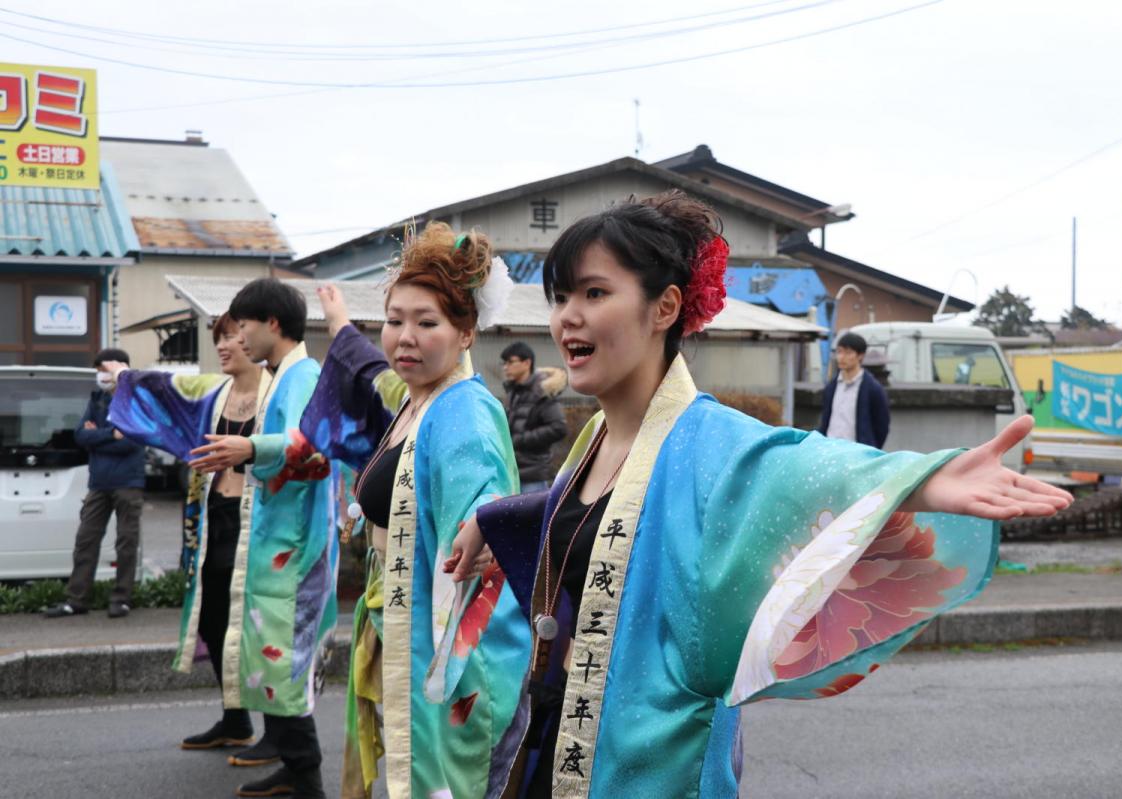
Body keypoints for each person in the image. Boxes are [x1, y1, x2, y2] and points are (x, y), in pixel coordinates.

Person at [446, 191, 1072, 797]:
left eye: (594, 293)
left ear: (663, 308)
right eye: (560, 297)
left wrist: (925, 479)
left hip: (657, 755)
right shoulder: (597, 436)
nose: (567, 317)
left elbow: (805, 468)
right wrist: (494, 519)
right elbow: (596, 516)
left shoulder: (710, 439)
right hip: (564, 735)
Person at [290, 224, 529, 799]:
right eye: (395, 320)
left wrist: (485, 532)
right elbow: (369, 369)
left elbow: (481, 537)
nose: (404, 337)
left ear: (467, 331)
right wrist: (340, 323)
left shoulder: (462, 415)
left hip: (443, 661)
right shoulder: (419, 399)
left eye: (428, 323)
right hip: (397, 631)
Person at [109, 278, 338, 799]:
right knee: (269, 649)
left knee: (283, 653)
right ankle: (294, 767)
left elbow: (315, 447)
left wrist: (250, 448)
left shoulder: (301, 376)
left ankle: (306, 775)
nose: (238, 338)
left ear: (271, 325)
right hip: (274, 541)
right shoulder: (284, 375)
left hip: (291, 546)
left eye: (244, 327)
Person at [106, 314, 279, 763]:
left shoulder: (277, 392)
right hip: (210, 519)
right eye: (218, 338)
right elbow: (166, 389)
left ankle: (282, 732)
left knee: (260, 627)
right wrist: (125, 380)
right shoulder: (214, 392)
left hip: (257, 524)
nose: (223, 346)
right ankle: (236, 717)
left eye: (231, 337)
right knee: (214, 621)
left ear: (253, 339)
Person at [45, 348, 145, 620]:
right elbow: (80, 436)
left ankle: (122, 598)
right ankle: (77, 599)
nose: (102, 374)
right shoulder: (98, 399)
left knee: (126, 542)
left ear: (121, 368)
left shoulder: (135, 400)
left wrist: (98, 438)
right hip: (99, 482)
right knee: (86, 539)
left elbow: (132, 441)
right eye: (99, 369)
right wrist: (110, 435)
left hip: (128, 481)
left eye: (106, 368)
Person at [500, 341, 568, 493]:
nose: (505, 367)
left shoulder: (542, 390)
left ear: (527, 363)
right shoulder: (514, 391)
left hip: (533, 475)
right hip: (513, 472)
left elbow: (558, 427)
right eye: (504, 363)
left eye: (510, 362)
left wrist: (521, 439)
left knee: (532, 517)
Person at [818, 331, 890, 448]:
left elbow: (882, 426)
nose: (842, 357)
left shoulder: (873, 389)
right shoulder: (831, 387)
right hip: (830, 449)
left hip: (857, 452)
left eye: (848, 353)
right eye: (839, 352)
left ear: (860, 355)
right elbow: (825, 419)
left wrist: (870, 449)